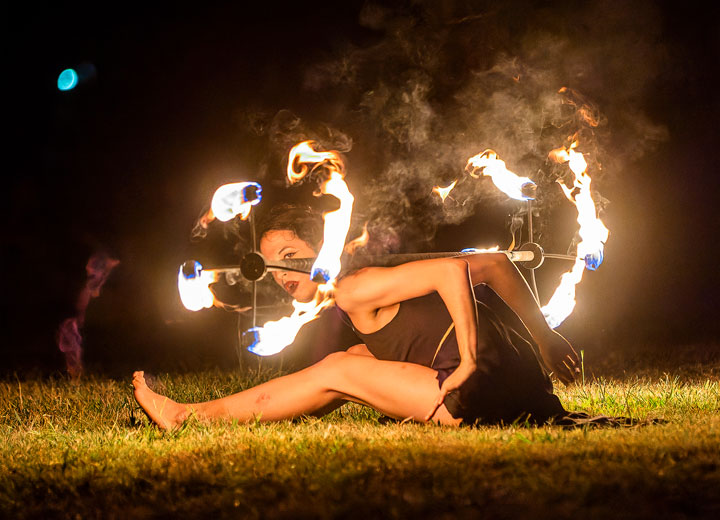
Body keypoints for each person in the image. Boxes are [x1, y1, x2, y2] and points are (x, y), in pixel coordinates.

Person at [133, 204, 579, 429]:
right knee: (357, 354)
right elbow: (499, 264)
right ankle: (205, 414)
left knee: (339, 370)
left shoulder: (353, 288)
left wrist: (466, 362)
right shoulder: (368, 282)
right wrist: (546, 340)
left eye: (290, 255)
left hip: (478, 398)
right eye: (272, 266)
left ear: (322, 250)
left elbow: (451, 270)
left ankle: (189, 417)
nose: (280, 273)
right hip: (522, 392)